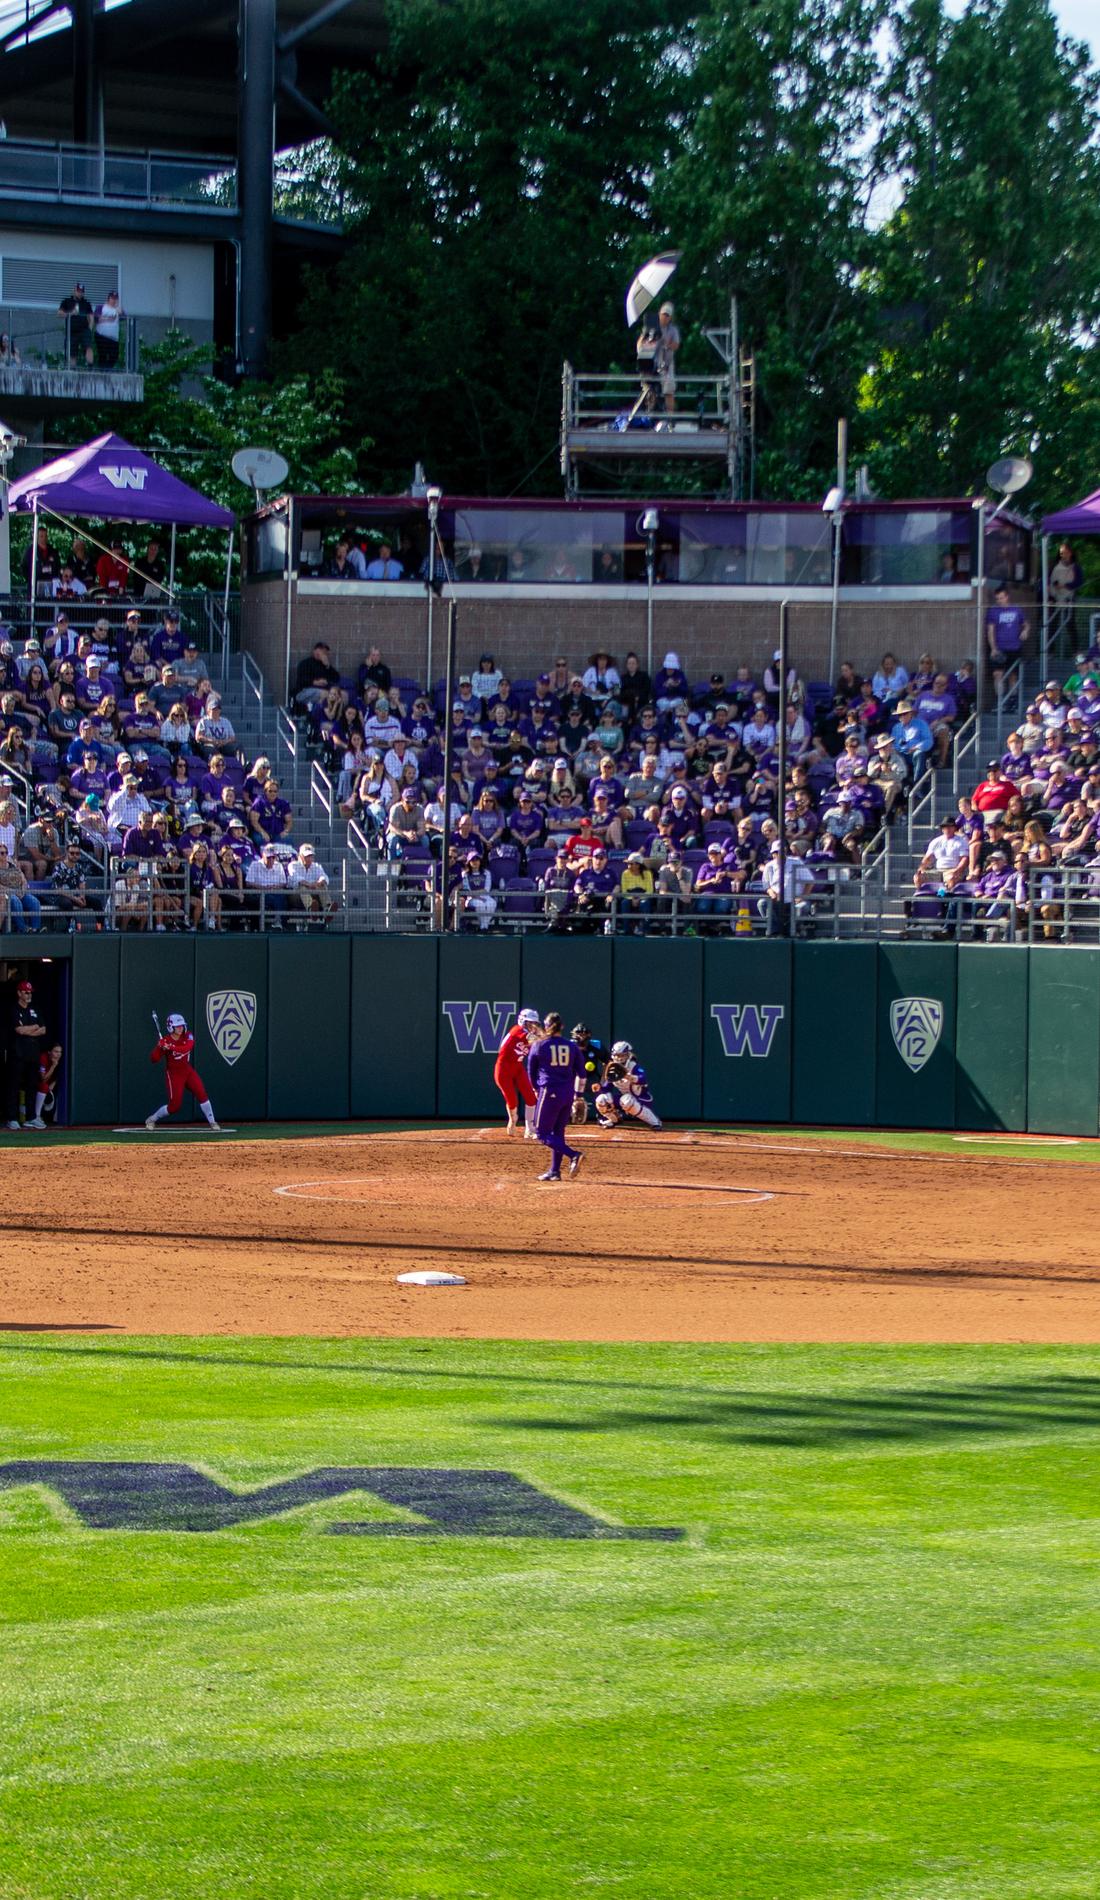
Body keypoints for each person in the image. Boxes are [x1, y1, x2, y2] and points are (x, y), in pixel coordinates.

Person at [526, 1011, 585, 1181]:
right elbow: (582, 1074)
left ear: (546, 1026)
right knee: (558, 1132)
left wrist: (536, 1088)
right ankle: (554, 1171)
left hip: (550, 1091)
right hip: (568, 1093)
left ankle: (573, 1155)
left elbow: (531, 1071)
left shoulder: (540, 1045)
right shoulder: (572, 1046)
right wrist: (579, 1095)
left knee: (541, 1132)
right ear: (562, 1027)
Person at [145, 1013, 221, 1131]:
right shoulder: (165, 1041)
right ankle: (152, 1119)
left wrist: (170, 1047)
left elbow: (187, 1048)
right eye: (177, 1026)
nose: (180, 1028)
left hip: (187, 1071)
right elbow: (153, 1059)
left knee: (201, 1093)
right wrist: (159, 1047)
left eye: (181, 1025)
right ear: (171, 1027)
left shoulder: (188, 1035)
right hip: (174, 1074)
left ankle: (212, 1122)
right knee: (174, 1107)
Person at [493, 1006, 541, 1136]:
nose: (533, 1026)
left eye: (535, 1023)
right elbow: (532, 1039)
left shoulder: (530, 1035)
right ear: (523, 1021)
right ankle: (512, 1119)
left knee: (531, 1098)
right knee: (512, 1101)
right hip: (503, 1069)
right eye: (530, 1023)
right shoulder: (517, 1030)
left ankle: (530, 1130)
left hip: (518, 1067)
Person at [6, 978, 47, 1128]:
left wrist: (29, 1030)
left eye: (30, 992)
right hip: (18, 1053)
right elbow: (19, 1029)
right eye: (26, 992)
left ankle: (31, 1117)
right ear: (19, 993)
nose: (29, 994)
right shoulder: (14, 1009)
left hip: (33, 1053)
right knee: (14, 1085)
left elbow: (43, 1029)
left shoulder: (35, 1009)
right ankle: (12, 1118)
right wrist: (33, 1028)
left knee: (32, 1085)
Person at [594, 1040, 662, 1129]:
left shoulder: (633, 1066)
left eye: (622, 1055)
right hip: (623, 1099)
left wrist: (627, 1076)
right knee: (601, 1099)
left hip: (641, 1098)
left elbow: (643, 1079)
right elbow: (606, 1088)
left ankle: (655, 1122)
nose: (619, 1058)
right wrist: (600, 1089)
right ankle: (614, 1119)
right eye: (617, 1055)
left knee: (627, 1100)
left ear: (628, 1055)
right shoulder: (611, 1068)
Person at [986, 583, 1029, 693]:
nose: (999, 600)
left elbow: (1026, 624)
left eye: (1001, 598)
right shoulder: (993, 611)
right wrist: (993, 648)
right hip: (1000, 648)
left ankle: (1012, 700)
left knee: (1012, 675)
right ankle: (1000, 701)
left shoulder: (1016, 609)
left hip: (1014, 647)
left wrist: (1025, 631)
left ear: (1007, 597)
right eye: (997, 599)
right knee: (997, 674)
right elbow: (991, 631)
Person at [58, 280, 94, 367]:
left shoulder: (86, 303)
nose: (80, 293)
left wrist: (90, 328)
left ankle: (90, 367)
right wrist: (70, 313)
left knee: (88, 347)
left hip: (84, 330)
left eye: (81, 292)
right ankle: (73, 370)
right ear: (74, 291)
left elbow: (91, 316)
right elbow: (59, 313)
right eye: (78, 291)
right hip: (72, 331)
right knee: (72, 353)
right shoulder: (67, 301)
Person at [655, 302, 680, 413]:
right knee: (650, 391)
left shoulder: (673, 330)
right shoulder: (651, 327)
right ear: (659, 314)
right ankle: (650, 418)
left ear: (670, 317)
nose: (665, 317)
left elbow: (676, 345)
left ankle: (670, 419)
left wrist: (666, 344)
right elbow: (641, 343)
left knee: (669, 392)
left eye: (667, 315)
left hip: (668, 365)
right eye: (663, 314)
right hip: (654, 364)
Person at [93, 289, 124, 369]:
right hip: (102, 335)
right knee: (103, 355)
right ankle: (102, 370)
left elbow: (124, 318)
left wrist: (121, 313)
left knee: (114, 355)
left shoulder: (118, 310)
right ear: (108, 298)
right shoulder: (101, 307)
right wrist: (107, 319)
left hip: (113, 338)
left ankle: (108, 369)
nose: (114, 300)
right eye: (112, 298)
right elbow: (95, 319)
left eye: (115, 298)